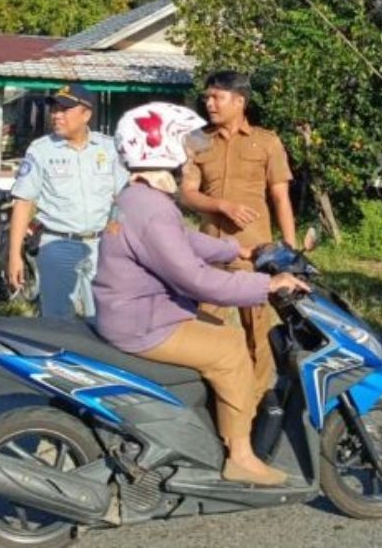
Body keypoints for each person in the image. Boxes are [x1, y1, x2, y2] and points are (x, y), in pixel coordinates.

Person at [95, 102, 308, 486]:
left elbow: (182, 240)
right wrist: (266, 285)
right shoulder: (154, 209)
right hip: (144, 321)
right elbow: (196, 280)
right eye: (182, 142)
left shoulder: (136, 197)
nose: (189, 151)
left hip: (131, 312)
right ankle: (241, 457)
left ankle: (207, 428)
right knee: (230, 348)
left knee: (213, 329)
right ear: (160, 148)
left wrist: (237, 250)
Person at [180, 71, 296, 409]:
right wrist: (220, 205)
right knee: (201, 328)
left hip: (254, 254)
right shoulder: (196, 141)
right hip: (210, 255)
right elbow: (186, 194)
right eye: (207, 98)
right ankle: (204, 402)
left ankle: (257, 402)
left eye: (217, 98)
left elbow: (280, 198)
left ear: (240, 102)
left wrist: (289, 251)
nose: (209, 103)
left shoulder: (267, 141)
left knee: (257, 333)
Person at [7, 84, 127, 318]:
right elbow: (23, 203)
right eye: (54, 109)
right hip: (58, 245)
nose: (56, 115)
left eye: (65, 109)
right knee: (57, 320)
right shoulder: (41, 151)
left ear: (86, 115)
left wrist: (115, 230)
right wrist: (14, 256)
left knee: (105, 317)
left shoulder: (109, 148)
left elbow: (123, 197)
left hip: (101, 246)